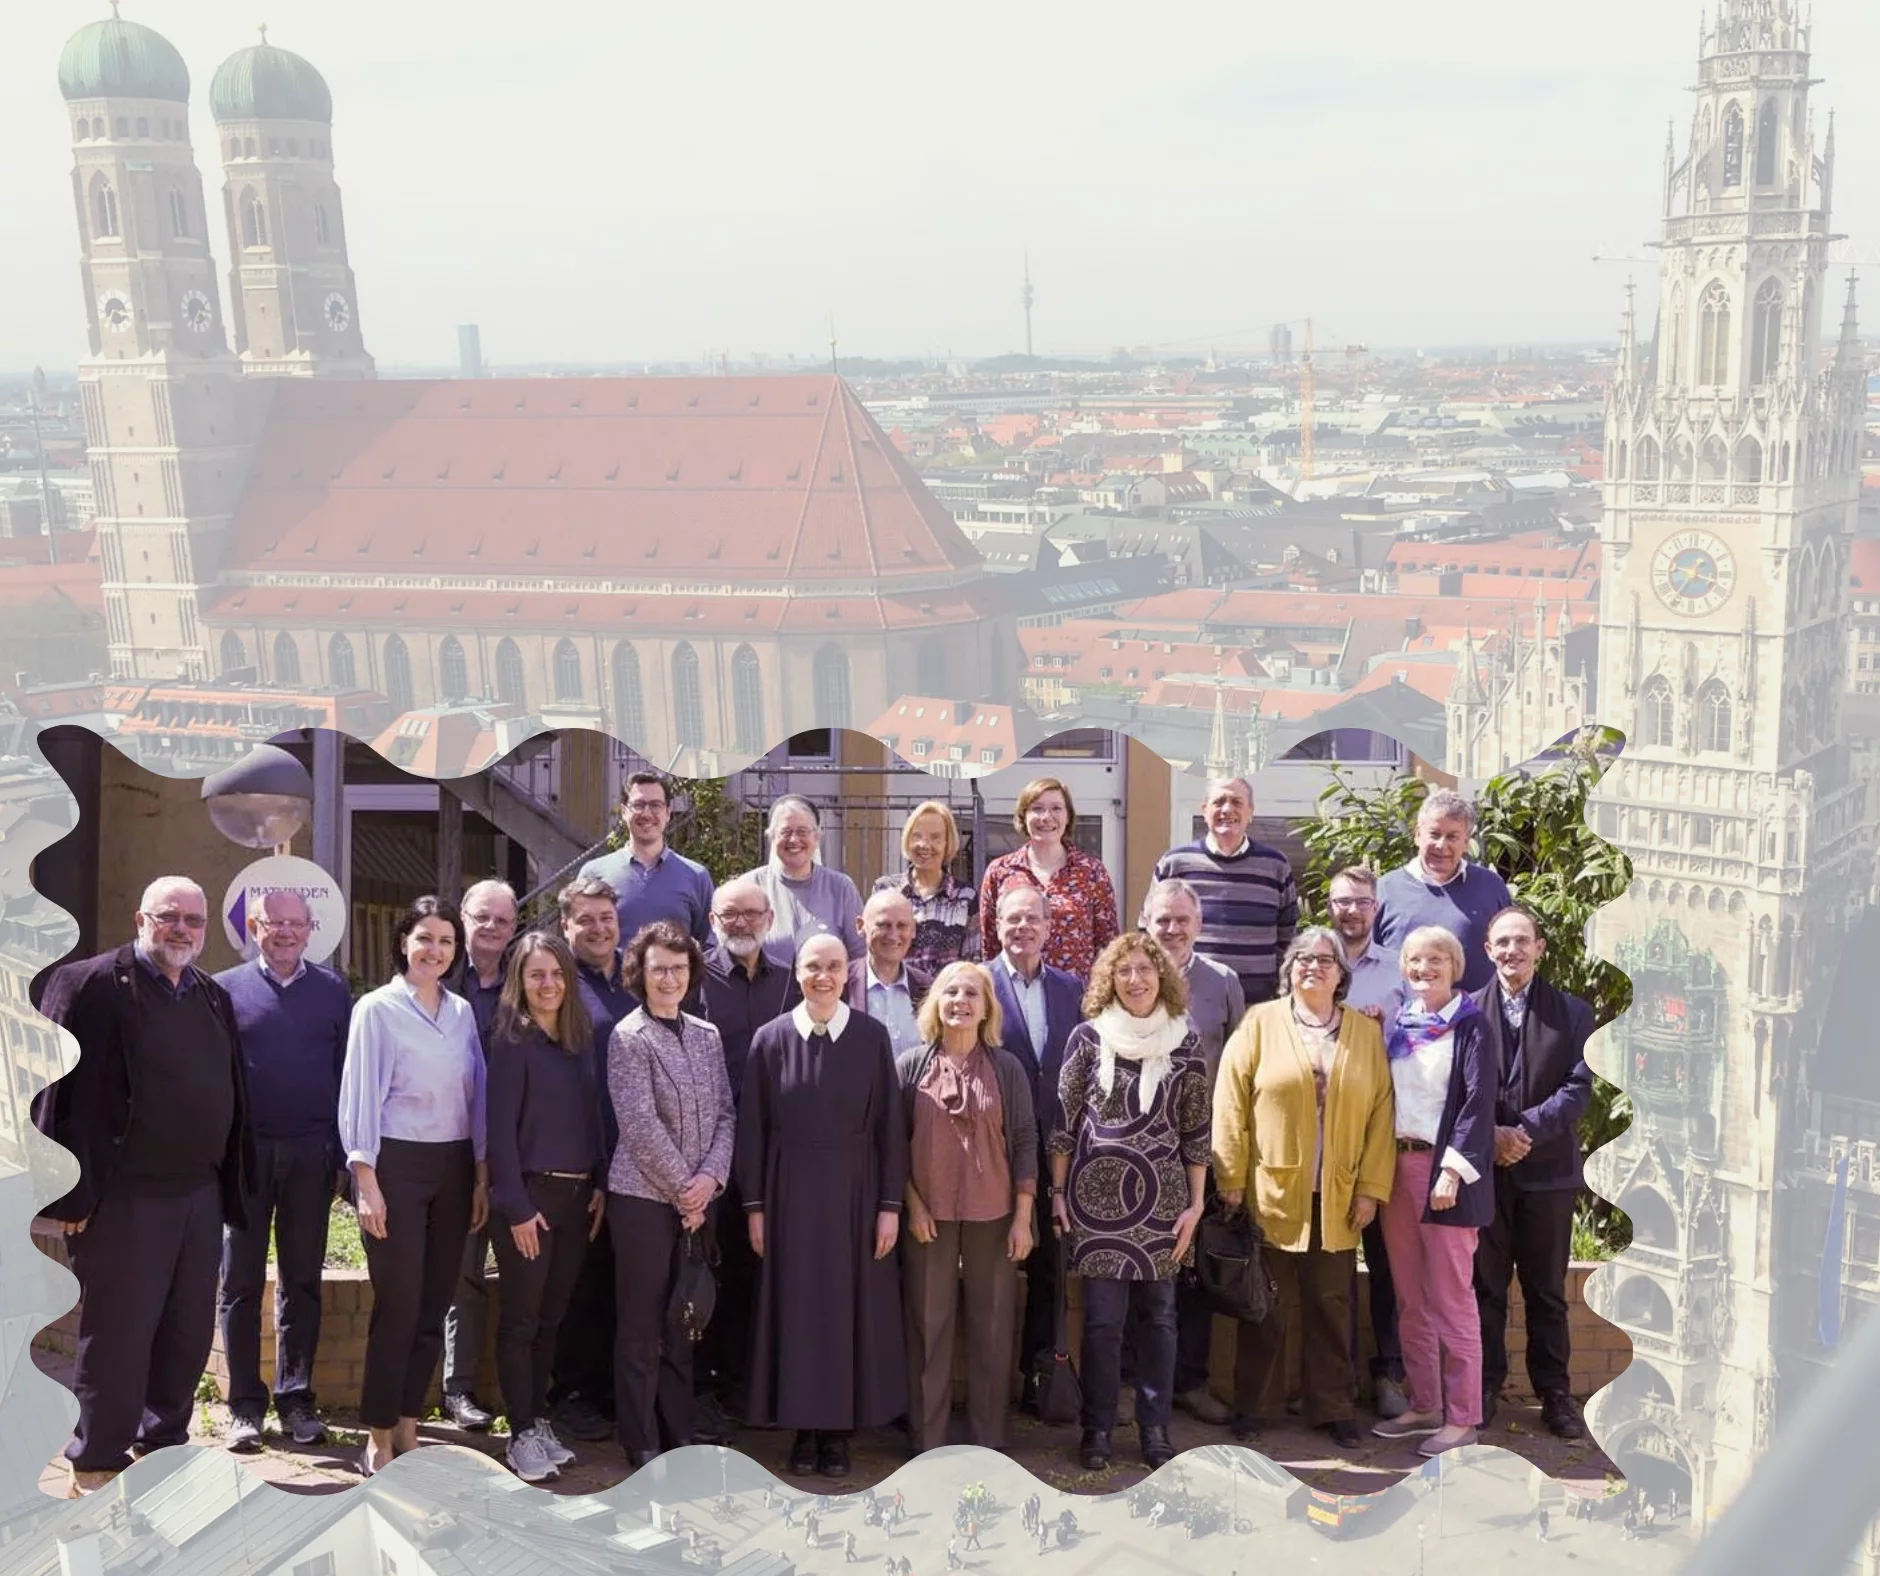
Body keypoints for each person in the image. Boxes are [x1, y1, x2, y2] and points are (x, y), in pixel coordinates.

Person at [33, 877, 255, 1497]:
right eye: (168, 916)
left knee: (185, 1335)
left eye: (193, 919)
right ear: (140, 917)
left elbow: (232, 1091)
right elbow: (47, 1091)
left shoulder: (211, 996)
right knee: (120, 1336)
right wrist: (63, 1193)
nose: (181, 928)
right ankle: (97, 1462)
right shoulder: (89, 984)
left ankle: (162, 1447)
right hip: (124, 1199)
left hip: (197, 1196)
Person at [1213, 928, 1395, 1450]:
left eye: (1325, 960)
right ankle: (1255, 1405)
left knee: (1331, 1304)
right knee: (1265, 1305)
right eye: (1303, 959)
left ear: (1342, 974)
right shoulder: (1260, 1023)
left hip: (1337, 1195)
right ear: (1289, 969)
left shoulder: (1364, 1033)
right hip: (1271, 1190)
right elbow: (1230, 1100)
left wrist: (1370, 1188)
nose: (1313, 967)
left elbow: (1382, 1113)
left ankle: (1333, 1406)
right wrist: (1230, 1176)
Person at [736, 932, 908, 1479]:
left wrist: (889, 1205)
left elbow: (889, 1130)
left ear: (847, 973)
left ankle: (837, 1436)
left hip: (857, 1195)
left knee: (846, 1311)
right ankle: (803, 1431)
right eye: (813, 966)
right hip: (788, 1196)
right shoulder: (769, 1039)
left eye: (834, 966)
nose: (824, 976)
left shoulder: (872, 1036)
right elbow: (753, 1130)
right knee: (798, 1312)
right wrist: (755, 1208)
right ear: (799, 972)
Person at [1048, 934, 1210, 1472]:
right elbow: (1065, 1124)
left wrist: (1196, 1204)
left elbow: (1196, 1131)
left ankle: (1154, 1429)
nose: (1135, 980)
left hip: (1164, 1205)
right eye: (1124, 972)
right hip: (1096, 1206)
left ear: (1161, 976)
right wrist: (1056, 1191)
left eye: (1145, 969)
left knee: (1160, 1319)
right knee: (1100, 1322)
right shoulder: (1087, 1038)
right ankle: (1096, 1429)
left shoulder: (1186, 1042)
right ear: (1108, 981)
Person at [339, 895, 489, 1476]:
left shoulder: (462, 1013)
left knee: (433, 1303)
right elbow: (358, 1098)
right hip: (395, 1165)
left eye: (447, 941)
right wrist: (366, 1180)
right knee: (398, 1304)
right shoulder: (376, 1010)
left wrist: (479, 1174)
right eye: (424, 938)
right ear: (403, 942)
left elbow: (474, 1098)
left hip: (452, 1167)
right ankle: (376, 1434)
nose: (435, 950)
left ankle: (407, 1422)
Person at [215, 889, 351, 1452]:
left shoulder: (333, 991)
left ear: (311, 927)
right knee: (240, 1283)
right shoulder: (224, 989)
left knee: (301, 1281)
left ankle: (296, 1400)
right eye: (276, 923)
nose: (287, 933)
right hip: (246, 1157)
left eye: (297, 924)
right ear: (255, 926)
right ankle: (244, 1405)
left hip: (309, 1154)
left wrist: (343, 1157)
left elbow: (348, 1078)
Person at [608, 920, 736, 1468]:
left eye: (679, 969)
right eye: (658, 967)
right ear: (640, 972)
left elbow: (728, 1114)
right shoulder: (628, 1037)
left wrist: (710, 1181)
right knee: (640, 1324)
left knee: (683, 1320)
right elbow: (638, 1125)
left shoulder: (707, 1036)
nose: (669, 978)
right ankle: (640, 1439)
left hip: (698, 1202)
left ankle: (677, 1429)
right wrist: (687, 1190)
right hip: (642, 1200)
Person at [896, 962, 1038, 1454]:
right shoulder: (910, 1065)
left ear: (986, 1008)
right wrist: (911, 1205)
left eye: (971, 993)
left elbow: (1024, 1140)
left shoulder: (1008, 1068)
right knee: (927, 1330)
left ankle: (987, 1444)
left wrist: (1023, 1216)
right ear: (935, 1003)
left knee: (992, 1330)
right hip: (927, 1217)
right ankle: (926, 1444)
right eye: (950, 992)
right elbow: (893, 1144)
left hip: (994, 1216)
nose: (960, 1000)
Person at [1370, 926, 1496, 1457]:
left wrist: (1452, 1170)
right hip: (1396, 1170)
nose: (1425, 968)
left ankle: (1463, 1417)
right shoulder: (1399, 1026)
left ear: (1456, 966)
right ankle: (1425, 1403)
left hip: (1446, 1177)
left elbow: (1477, 1103)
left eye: (1437, 959)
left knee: (1451, 1300)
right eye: (1416, 960)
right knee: (1411, 1298)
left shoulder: (1471, 1026)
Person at [485, 931, 605, 1482]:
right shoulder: (512, 1041)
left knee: (553, 1318)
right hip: (530, 1199)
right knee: (522, 1320)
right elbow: (499, 1130)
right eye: (536, 975)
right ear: (520, 981)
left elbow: (596, 1116)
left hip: (578, 1198)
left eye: (556, 973)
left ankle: (539, 1419)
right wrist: (513, 1205)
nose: (548, 984)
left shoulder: (581, 1038)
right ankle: (520, 1432)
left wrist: (600, 1183)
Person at [1472, 906, 1594, 1439]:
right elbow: (1458, 1087)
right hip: (1487, 1173)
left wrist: (1520, 1131)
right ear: (1487, 950)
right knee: (1485, 1289)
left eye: (1522, 941)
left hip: (1548, 1175)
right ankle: (1482, 1389)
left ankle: (1555, 1395)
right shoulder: (1466, 1012)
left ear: (1540, 948)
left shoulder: (1572, 1013)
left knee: (1546, 1291)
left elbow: (1578, 1085)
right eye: (1502, 942)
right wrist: (1492, 1136)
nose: (1512, 951)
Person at [1135, 877, 1244, 1426]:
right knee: (1138, 1267)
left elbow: (1240, 1067)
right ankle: (1140, 1386)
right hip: (1135, 1149)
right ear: (1145, 923)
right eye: (1162, 920)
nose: (1172, 930)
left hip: (1200, 1146)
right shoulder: (1128, 978)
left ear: (1198, 925)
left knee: (1193, 1268)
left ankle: (1191, 1382)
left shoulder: (1222, 981)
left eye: (1182, 920)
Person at [697, 875, 800, 1417]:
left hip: (776, 1152)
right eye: (729, 914)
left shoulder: (792, 982)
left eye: (751, 913)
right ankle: (707, 1387)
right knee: (711, 1267)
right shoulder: (696, 979)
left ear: (769, 919)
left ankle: (754, 1384)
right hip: (708, 1149)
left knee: (761, 1270)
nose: (741, 923)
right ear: (713, 921)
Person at [985, 885, 1085, 1409]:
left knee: (1050, 1266)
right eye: (1012, 918)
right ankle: (989, 1381)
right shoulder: (978, 983)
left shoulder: (1072, 988)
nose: (1022, 927)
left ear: (1049, 927)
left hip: (1057, 1148)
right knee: (993, 1266)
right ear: (997, 925)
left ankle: (1039, 1376)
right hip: (993, 1147)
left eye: (1032, 919)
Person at [546, 876, 634, 1444]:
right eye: (586, 919)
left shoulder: (636, 976)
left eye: (606, 916)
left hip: (640, 1161)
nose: (598, 928)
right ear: (566, 926)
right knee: (576, 1285)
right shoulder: (557, 986)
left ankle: (609, 1392)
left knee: (620, 1284)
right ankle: (570, 1395)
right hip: (582, 1162)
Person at [1326, 864, 1410, 1420]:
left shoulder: (1399, 972)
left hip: (1382, 1128)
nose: (1351, 911)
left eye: (1361, 902)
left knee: (1386, 1261)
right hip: (1324, 1133)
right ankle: (1328, 1379)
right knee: (1327, 1263)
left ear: (1376, 909)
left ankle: (1389, 1372)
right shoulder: (1312, 963)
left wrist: (1386, 1030)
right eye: (1341, 902)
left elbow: (1421, 1044)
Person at [441, 876, 518, 1433]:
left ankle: (527, 1397)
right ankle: (459, 1390)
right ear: (463, 917)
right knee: (461, 1275)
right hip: (452, 1148)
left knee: (522, 1280)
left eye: (503, 920)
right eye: (482, 917)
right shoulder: (438, 977)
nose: (492, 928)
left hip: (517, 1149)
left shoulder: (526, 978)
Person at [1152, 775, 1298, 1007]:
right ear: (1204, 810)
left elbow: (1288, 940)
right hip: (1191, 1005)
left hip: (1258, 1007)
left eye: (1237, 802)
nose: (1227, 809)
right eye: (1219, 802)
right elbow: (1151, 931)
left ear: (1250, 812)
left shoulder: (1275, 866)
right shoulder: (1175, 863)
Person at [1372, 789, 1513, 995]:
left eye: (1452, 837)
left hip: (1479, 1023)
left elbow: (1511, 952)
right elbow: (1367, 961)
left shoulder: (1491, 887)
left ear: (1466, 842)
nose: (1442, 845)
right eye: (1434, 834)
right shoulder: (1384, 890)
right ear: (1418, 835)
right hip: (1403, 1022)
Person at [976, 776, 1119, 978]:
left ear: (1068, 816)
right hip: (1015, 996)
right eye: (1037, 808)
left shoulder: (1092, 872)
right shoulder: (1000, 871)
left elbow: (1108, 945)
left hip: (1076, 998)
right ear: (1023, 816)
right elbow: (989, 945)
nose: (1046, 817)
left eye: (1056, 808)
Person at [577, 771, 716, 946]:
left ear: (668, 813)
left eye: (655, 805)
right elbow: (581, 943)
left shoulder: (696, 877)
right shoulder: (594, 873)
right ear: (623, 811)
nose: (647, 813)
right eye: (638, 805)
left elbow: (709, 948)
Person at [747, 796, 865, 960]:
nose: (794, 840)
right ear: (771, 837)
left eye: (802, 832)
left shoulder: (841, 888)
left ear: (817, 837)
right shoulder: (750, 887)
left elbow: (859, 955)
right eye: (785, 832)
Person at [874, 800, 981, 973]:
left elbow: (973, 962)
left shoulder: (966, 897)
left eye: (935, 838)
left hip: (945, 997)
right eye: (917, 836)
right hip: (895, 995)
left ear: (948, 844)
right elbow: (873, 951)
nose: (924, 845)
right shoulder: (885, 890)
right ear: (907, 840)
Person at [850, 890, 933, 1054]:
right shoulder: (841, 985)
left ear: (913, 930)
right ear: (860, 926)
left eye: (902, 926)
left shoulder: (929, 989)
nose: (893, 936)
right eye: (883, 925)